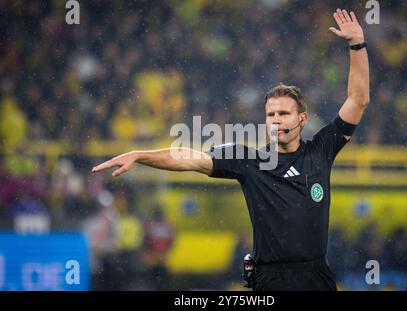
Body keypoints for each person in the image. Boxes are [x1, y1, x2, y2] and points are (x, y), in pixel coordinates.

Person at [92, 8, 369, 290]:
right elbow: (189, 158)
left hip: (315, 277)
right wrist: (140, 155)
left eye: (283, 113)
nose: (276, 120)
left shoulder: (320, 151)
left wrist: (356, 45)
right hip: (270, 279)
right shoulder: (249, 160)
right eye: (270, 114)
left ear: (302, 118)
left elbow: (357, 100)